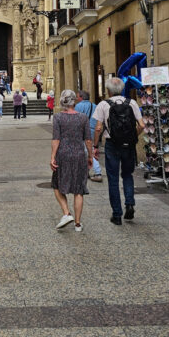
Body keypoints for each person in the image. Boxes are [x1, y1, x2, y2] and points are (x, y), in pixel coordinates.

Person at [92, 77, 145, 226]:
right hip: (128, 145)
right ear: (122, 89)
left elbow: (98, 128)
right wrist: (133, 136)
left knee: (113, 179)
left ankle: (117, 215)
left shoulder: (103, 104)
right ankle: (129, 204)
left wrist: (95, 146)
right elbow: (142, 125)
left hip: (112, 144)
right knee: (127, 175)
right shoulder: (132, 103)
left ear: (108, 90)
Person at [51, 89, 93, 232]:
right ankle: (78, 224)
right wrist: (90, 156)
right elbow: (88, 140)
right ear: (74, 101)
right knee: (78, 189)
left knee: (56, 185)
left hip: (62, 154)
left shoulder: (58, 117)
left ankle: (67, 213)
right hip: (79, 154)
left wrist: (52, 157)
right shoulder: (83, 118)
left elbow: (56, 139)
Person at [75, 90, 103, 182]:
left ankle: (98, 172)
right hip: (93, 131)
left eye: (77, 97)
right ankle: (86, 172)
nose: (76, 98)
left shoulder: (78, 106)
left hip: (83, 132)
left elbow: (76, 120)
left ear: (81, 97)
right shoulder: (94, 106)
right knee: (88, 150)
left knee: (88, 152)